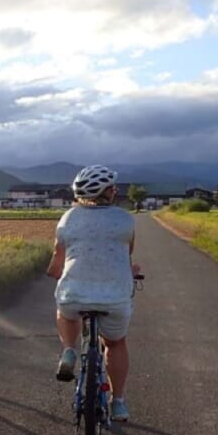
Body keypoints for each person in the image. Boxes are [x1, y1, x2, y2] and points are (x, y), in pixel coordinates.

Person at [45, 165, 140, 421]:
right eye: (113, 187)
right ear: (107, 192)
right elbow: (124, 256)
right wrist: (132, 271)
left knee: (66, 312)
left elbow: (58, 259)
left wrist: (55, 271)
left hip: (74, 294)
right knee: (115, 343)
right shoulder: (125, 219)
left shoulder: (68, 218)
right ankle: (118, 402)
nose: (115, 190)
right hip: (116, 296)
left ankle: (69, 350)